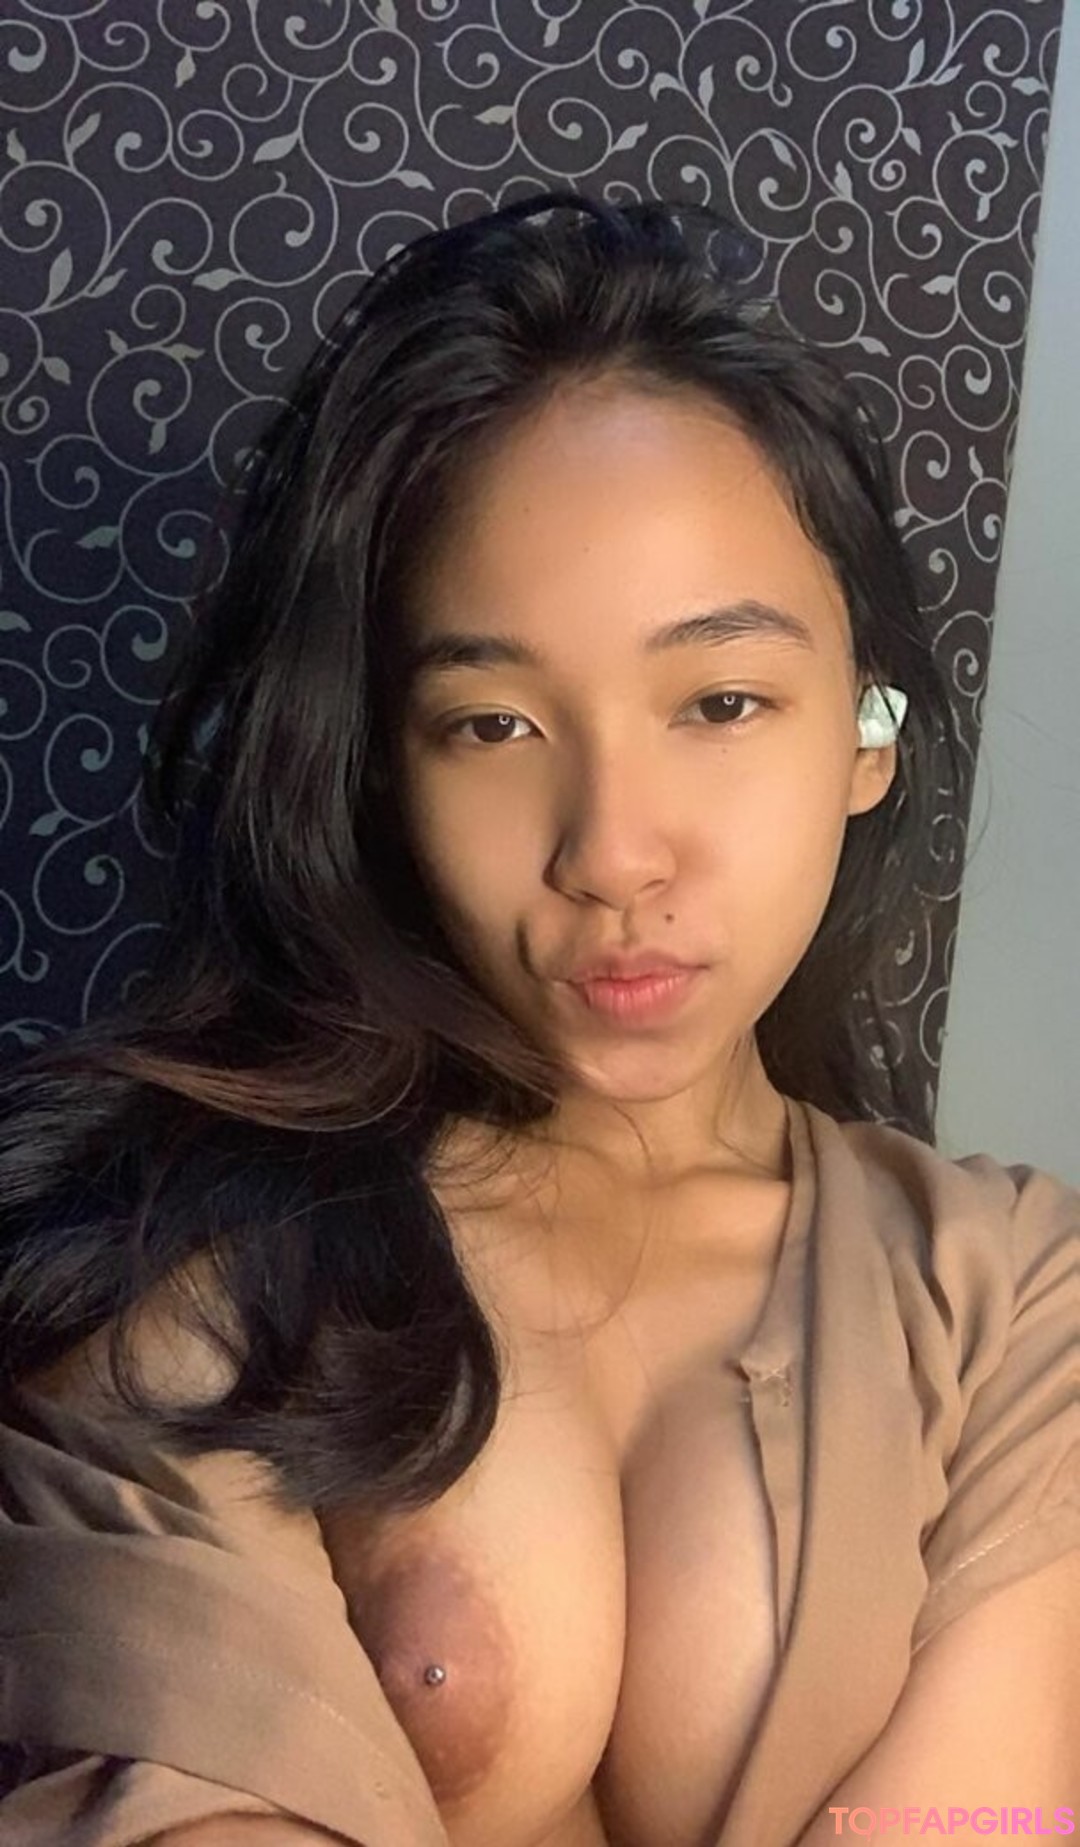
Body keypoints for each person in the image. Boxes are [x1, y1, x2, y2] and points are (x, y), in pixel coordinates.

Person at [0, 190, 1075, 1847]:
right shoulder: (183, 1272)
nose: (613, 853)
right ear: (380, 769)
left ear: (867, 732)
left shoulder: (1010, 1297)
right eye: (493, 725)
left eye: (722, 701)